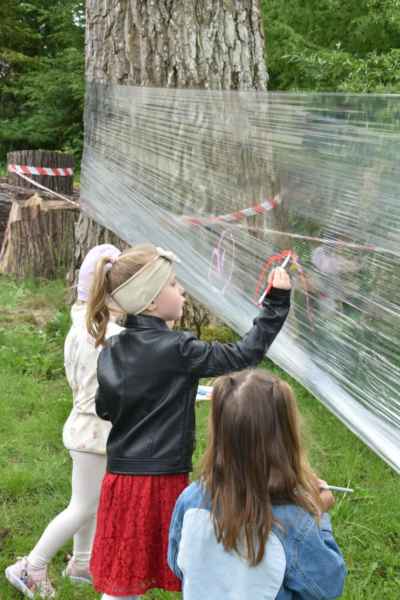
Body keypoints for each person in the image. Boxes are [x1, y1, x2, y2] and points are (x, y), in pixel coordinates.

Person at [85, 243, 291, 600]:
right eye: (172, 284)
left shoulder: (111, 349)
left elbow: (105, 408)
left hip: (120, 479)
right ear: (151, 302)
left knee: (124, 574)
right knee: (193, 568)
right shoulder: (178, 349)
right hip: (160, 478)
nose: (181, 290)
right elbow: (244, 354)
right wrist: (276, 303)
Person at [5, 244, 123, 599]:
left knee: (89, 501)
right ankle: (31, 566)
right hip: (95, 431)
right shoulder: (111, 337)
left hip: (84, 426)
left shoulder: (82, 323)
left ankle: (82, 564)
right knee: (82, 506)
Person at [168, 369, 347, 600]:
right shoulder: (294, 523)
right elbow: (328, 585)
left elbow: (177, 564)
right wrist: (317, 515)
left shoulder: (191, 498)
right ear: (286, 440)